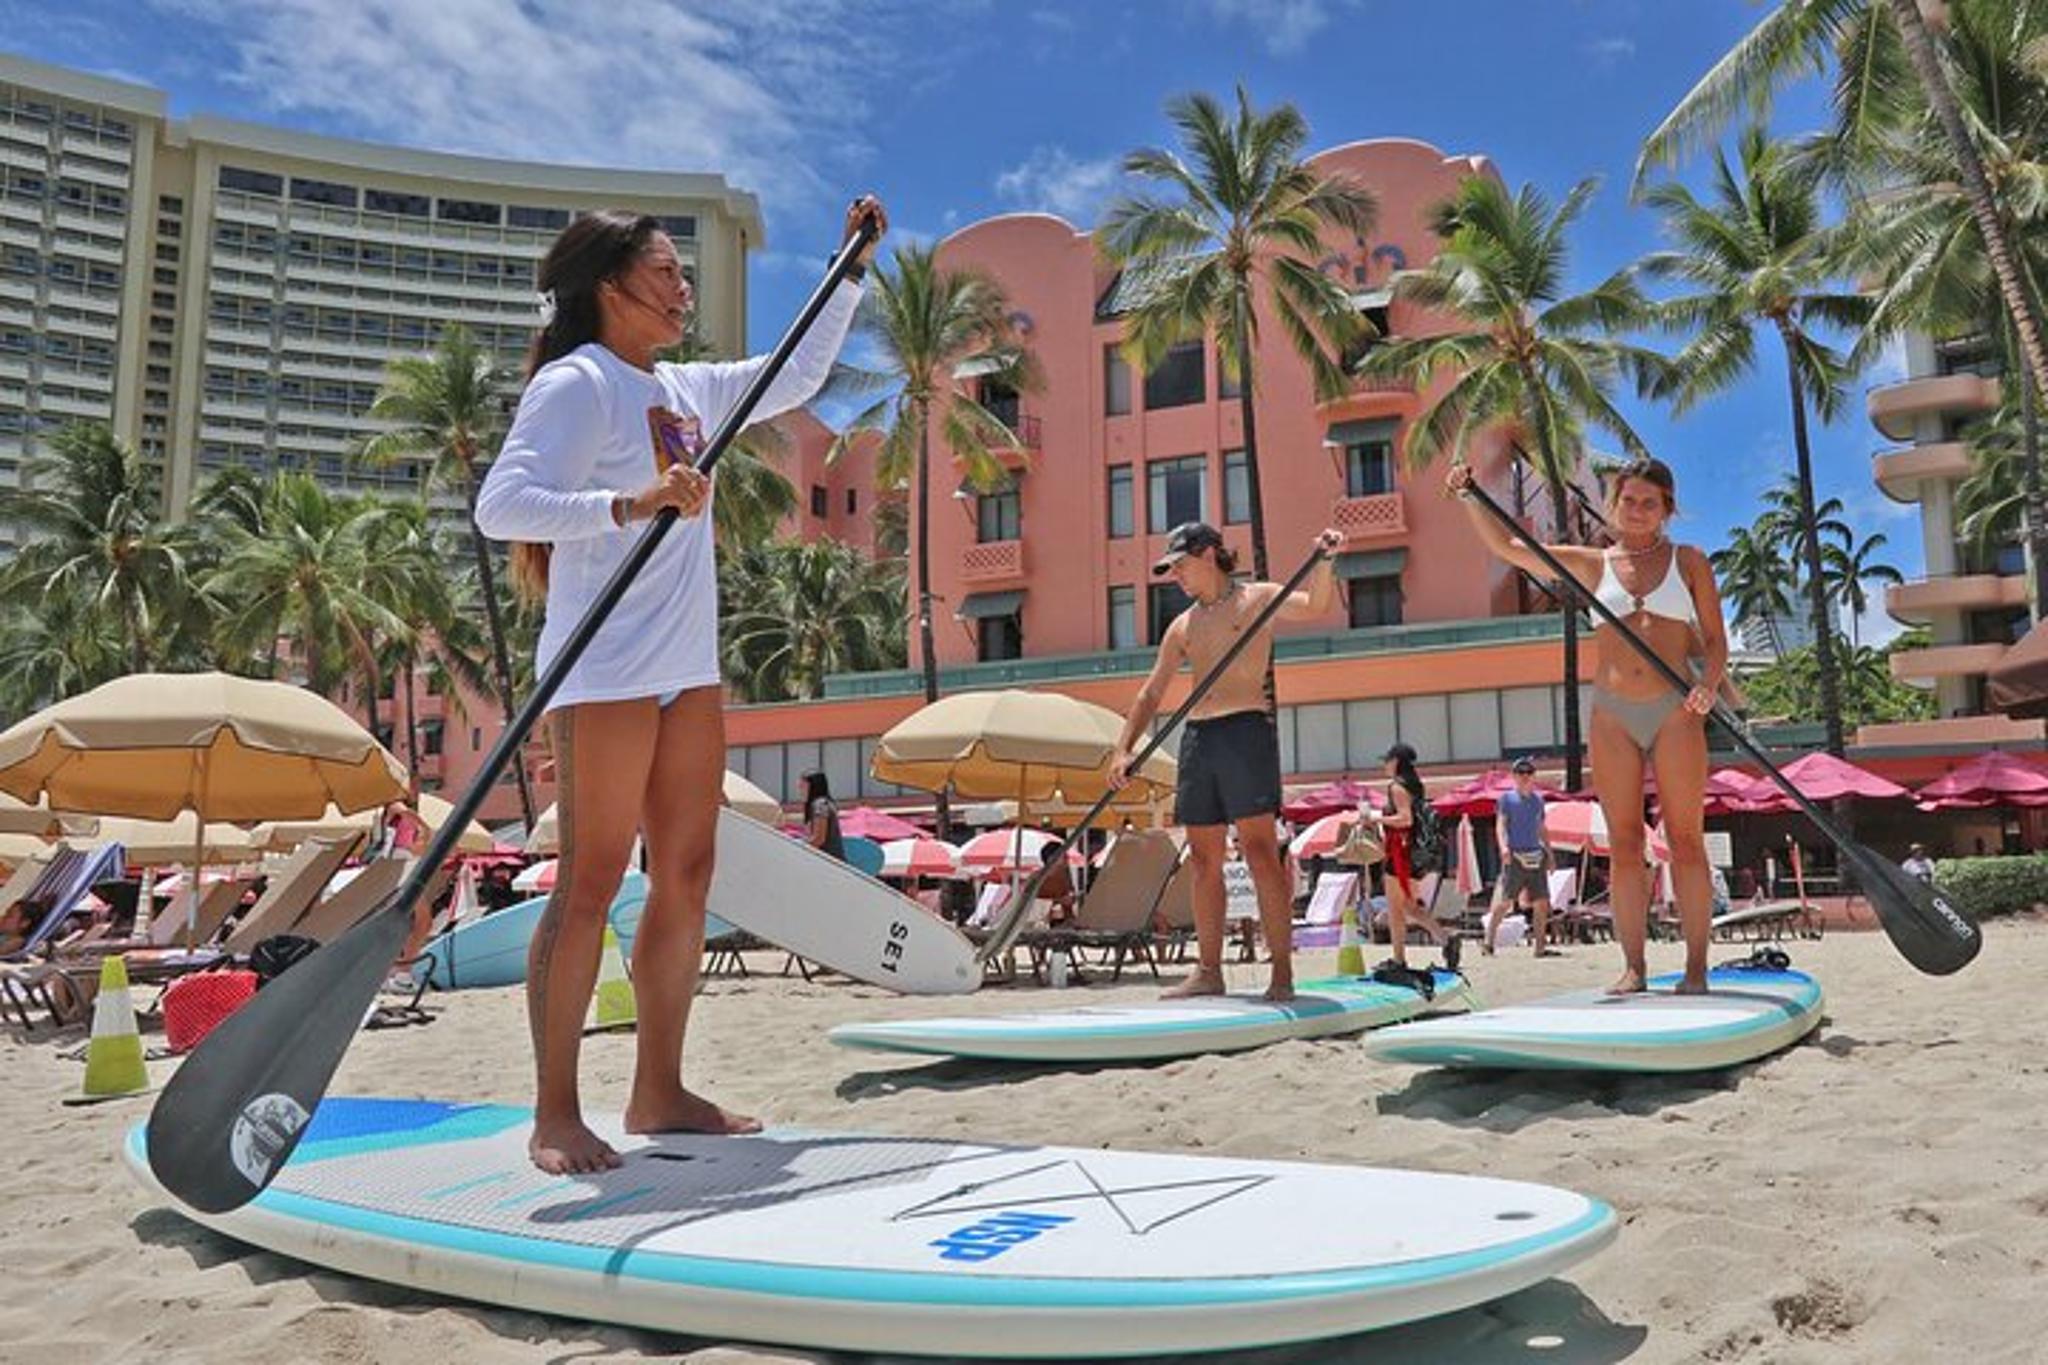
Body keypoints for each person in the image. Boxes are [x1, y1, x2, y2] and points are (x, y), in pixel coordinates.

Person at [476, 196, 885, 1174]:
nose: (681, 288)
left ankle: (657, 1086)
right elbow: (502, 505)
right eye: (664, 272)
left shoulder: (685, 387)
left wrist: (850, 268)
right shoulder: (577, 383)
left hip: (686, 669)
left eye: (682, 272)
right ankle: (555, 1112)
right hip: (604, 668)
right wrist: (634, 501)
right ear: (610, 286)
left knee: (687, 876)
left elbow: (791, 377)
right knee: (586, 885)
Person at [1449, 457, 1728, 994]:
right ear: (1613, 504)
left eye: (1651, 502)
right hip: (1612, 715)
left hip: (1675, 711)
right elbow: (1509, 550)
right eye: (1629, 500)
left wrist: (1709, 685)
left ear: (1667, 509)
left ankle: (1696, 967)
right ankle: (1634, 967)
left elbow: (1715, 640)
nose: (1639, 511)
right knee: (1623, 844)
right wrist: (1467, 498)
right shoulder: (1593, 563)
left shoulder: (1689, 561)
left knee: (1686, 841)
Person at [1109, 522, 1344, 1001]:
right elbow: (1152, 691)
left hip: (1246, 731)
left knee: (1260, 854)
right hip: (1199, 738)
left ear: (1209, 553)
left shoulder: (1257, 598)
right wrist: (1123, 746)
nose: (1175, 576)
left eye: (1180, 565)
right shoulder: (1182, 625)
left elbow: (1317, 606)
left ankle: (1282, 974)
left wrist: (1324, 561)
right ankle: (1208, 970)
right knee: (1201, 860)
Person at [1482, 758, 1558, 956]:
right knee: (1506, 901)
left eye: (1528, 773)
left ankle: (1540, 947)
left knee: (1542, 902)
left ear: (1533, 776)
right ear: (1514, 776)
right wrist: (1503, 847)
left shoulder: (1538, 800)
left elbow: (1541, 828)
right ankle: (1489, 941)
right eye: (1520, 773)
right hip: (1515, 855)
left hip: (1536, 854)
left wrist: (1550, 855)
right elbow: (1501, 824)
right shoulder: (1506, 799)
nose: (1525, 776)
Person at [1366, 743, 1431, 966]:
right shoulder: (1416, 785)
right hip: (1414, 850)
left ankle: (1399, 958)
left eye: (1387, 760)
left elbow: (1406, 818)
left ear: (1396, 762)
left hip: (1400, 851)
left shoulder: (1397, 787)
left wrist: (1376, 819)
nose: (1385, 765)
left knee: (1395, 908)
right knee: (1409, 905)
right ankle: (1445, 937)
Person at [801, 771, 847, 862]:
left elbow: (819, 839)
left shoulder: (820, 805)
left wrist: (798, 848)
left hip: (829, 863)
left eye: (803, 786)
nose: (800, 789)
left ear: (813, 786)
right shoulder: (821, 803)